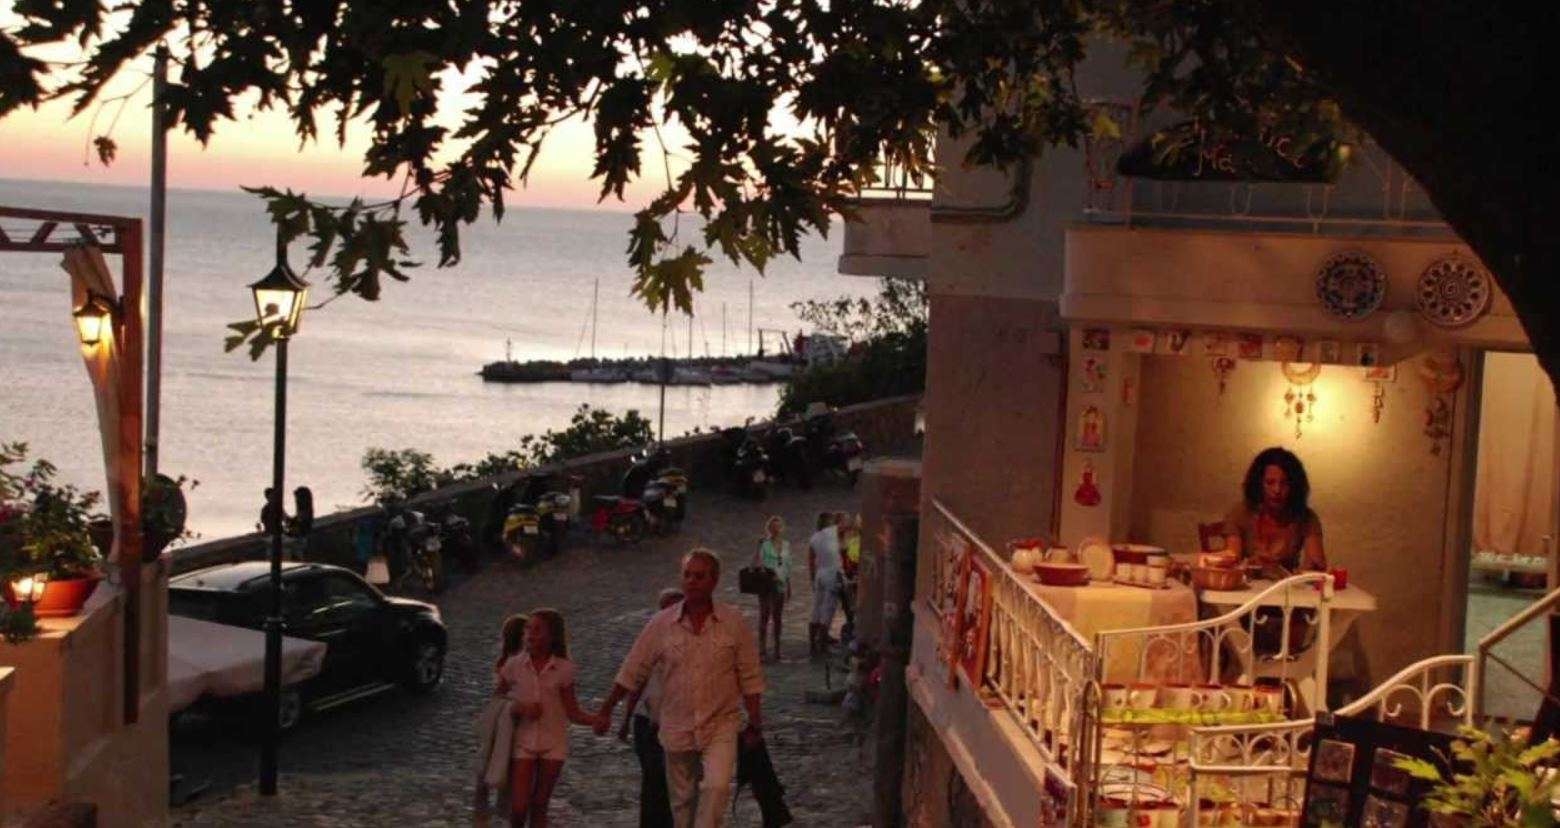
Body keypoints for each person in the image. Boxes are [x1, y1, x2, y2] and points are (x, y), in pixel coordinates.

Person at [595, 550, 765, 828]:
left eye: (699, 576)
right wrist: (606, 710)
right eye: (687, 575)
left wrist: (756, 721)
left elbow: (750, 675)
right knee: (682, 803)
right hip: (676, 725)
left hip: (720, 723)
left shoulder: (733, 623)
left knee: (716, 787)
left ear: (714, 580)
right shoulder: (661, 624)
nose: (692, 582)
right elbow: (632, 669)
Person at [498, 608, 600, 827]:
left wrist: (596, 719)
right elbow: (496, 702)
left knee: (540, 804)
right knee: (518, 807)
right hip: (522, 741)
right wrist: (519, 708)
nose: (530, 635)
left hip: (553, 742)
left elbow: (572, 712)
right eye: (528, 629)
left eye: (537, 630)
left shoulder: (563, 669)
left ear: (552, 636)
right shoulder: (514, 665)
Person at [617, 588, 685, 828]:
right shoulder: (652, 639)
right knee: (653, 777)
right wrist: (625, 718)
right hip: (648, 721)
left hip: (680, 721)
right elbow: (636, 681)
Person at [1222, 447, 1327, 576]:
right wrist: (1251, 564)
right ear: (1258, 484)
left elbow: (1317, 565)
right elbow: (1230, 561)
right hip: (1246, 589)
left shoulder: (1306, 517)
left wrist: (1298, 570)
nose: (1277, 490)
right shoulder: (1241, 513)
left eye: (1285, 483)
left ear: (1294, 486)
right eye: (1270, 482)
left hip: (1287, 589)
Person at [475, 613, 530, 817]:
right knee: (509, 766)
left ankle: (482, 812)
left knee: (489, 763)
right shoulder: (517, 664)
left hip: (499, 721)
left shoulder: (504, 662)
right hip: (512, 721)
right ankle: (504, 810)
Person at [753, 517, 791, 662]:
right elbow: (758, 562)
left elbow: (788, 565)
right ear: (769, 529)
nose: (776, 530)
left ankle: (777, 648)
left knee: (778, 617)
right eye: (773, 527)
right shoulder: (764, 544)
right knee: (764, 614)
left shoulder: (786, 545)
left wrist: (788, 584)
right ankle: (762, 648)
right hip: (766, 584)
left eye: (779, 527)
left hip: (780, 583)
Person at [807, 512, 843, 657]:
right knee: (828, 609)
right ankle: (822, 644)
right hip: (832, 572)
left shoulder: (814, 537)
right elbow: (848, 526)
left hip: (819, 573)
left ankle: (812, 645)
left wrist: (812, 578)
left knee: (816, 609)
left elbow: (811, 559)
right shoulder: (833, 531)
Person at [836, 511, 860, 631]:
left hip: (850, 572)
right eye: (845, 521)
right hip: (841, 573)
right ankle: (850, 622)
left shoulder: (851, 536)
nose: (849, 523)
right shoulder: (835, 539)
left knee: (851, 600)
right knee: (846, 602)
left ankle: (852, 623)